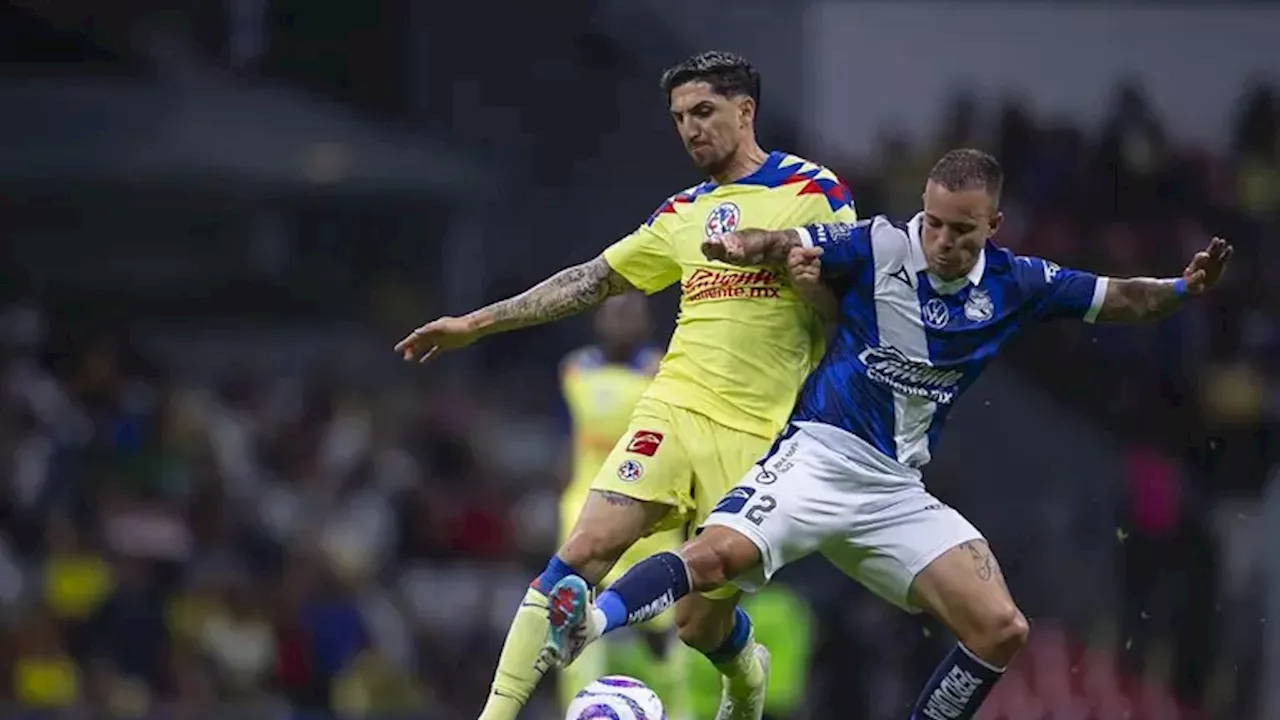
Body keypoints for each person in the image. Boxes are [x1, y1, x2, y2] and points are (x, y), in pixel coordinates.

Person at [544, 148, 1233, 720]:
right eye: (932, 222)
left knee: (1002, 629)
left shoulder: (1019, 283)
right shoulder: (879, 243)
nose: (941, 240)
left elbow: (1121, 297)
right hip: (818, 454)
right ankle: (591, 621)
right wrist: (745, 244)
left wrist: (1182, 288)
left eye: (961, 230)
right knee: (708, 582)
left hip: (896, 490)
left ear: (993, 224)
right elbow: (789, 242)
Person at [394, 50, 858, 720]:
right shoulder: (681, 213)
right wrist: (476, 323)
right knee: (580, 553)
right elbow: (591, 279)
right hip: (673, 406)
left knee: (699, 626)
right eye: (678, 118)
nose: (690, 130)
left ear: (746, 111)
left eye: (703, 112)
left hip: (762, 435)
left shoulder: (815, 192)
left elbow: (848, 306)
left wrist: (794, 264)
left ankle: (747, 674)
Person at [555, 292, 692, 718]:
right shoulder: (575, 370)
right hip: (585, 511)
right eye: (614, 314)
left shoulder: (666, 373)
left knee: (662, 637)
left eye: (631, 315)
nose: (622, 324)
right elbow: (573, 439)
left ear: (646, 324)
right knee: (572, 627)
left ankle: (677, 710)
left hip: (649, 521)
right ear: (598, 321)